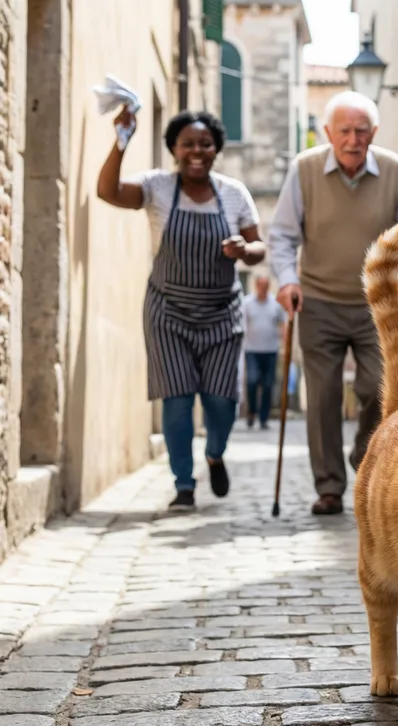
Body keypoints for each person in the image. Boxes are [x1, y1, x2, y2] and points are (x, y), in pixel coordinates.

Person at [97, 109, 266, 512]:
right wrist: (121, 141)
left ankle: (215, 453)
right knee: (176, 400)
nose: (196, 151)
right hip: (168, 312)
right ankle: (184, 484)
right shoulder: (156, 186)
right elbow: (108, 191)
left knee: (222, 401)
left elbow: (260, 249)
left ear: (216, 149)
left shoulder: (233, 193)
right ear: (173, 148)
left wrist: (244, 250)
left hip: (222, 313)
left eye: (205, 144)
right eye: (187, 143)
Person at [268, 90, 398, 516]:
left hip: (376, 302)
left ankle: (365, 461)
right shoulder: (304, 170)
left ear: (373, 133)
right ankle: (329, 487)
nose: (353, 139)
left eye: (361, 131)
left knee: (378, 388)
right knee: (320, 396)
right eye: (344, 131)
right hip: (317, 299)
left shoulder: (394, 170)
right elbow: (282, 235)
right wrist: (286, 281)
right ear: (328, 133)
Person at [243, 274, 285, 430]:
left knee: (268, 385)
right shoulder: (247, 303)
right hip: (252, 350)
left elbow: (283, 325)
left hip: (271, 350)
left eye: (266, 285)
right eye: (261, 285)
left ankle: (263, 418)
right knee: (252, 381)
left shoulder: (275, 304)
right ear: (256, 285)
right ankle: (251, 412)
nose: (263, 289)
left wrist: (285, 346)